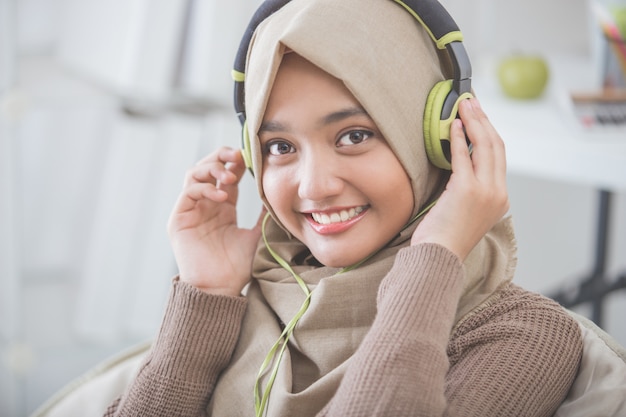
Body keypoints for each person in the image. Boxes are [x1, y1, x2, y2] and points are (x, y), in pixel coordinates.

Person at [105, 0, 583, 415]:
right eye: (279, 146)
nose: (314, 186)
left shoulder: (523, 337)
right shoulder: (236, 306)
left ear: (437, 140)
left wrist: (435, 255)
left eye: (354, 136)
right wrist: (206, 294)